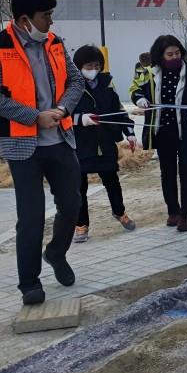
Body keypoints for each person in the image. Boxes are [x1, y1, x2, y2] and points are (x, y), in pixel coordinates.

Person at [0, 0, 84, 305]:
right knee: (31, 214)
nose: (50, 22)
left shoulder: (54, 43)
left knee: (72, 203)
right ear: (25, 20)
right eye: (45, 16)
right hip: (22, 146)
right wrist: (35, 116)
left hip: (60, 140)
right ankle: (29, 282)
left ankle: (56, 253)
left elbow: (76, 81)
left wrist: (62, 109)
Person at [132, 35, 187, 232]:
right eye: (169, 54)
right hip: (163, 130)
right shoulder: (150, 74)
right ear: (160, 56)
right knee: (167, 173)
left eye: (177, 53)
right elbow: (135, 90)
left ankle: (186, 215)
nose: (174, 57)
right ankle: (173, 211)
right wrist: (139, 99)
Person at [70, 44, 137, 243]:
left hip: (105, 141)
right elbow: (62, 113)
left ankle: (120, 212)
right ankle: (81, 225)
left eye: (97, 65)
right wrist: (80, 119)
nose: (93, 69)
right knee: (78, 187)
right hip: (81, 144)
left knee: (112, 182)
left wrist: (130, 131)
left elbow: (118, 111)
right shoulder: (71, 86)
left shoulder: (107, 85)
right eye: (89, 65)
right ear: (79, 66)